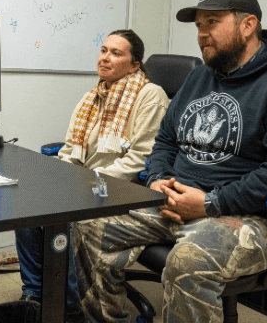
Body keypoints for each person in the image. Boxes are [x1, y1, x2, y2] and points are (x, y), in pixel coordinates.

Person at [74, 0, 267, 322]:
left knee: (188, 262)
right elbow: (165, 139)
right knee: (88, 224)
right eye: (198, 26)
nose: (202, 34)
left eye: (212, 23)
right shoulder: (201, 77)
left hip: (259, 218)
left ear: (248, 25)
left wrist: (211, 203)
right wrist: (159, 180)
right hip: (177, 204)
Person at [15, 30, 170, 322]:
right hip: (88, 182)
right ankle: (35, 292)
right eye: (103, 50)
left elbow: (139, 160)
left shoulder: (150, 96)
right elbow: (72, 149)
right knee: (27, 207)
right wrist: (62, 177)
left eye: (116, 53)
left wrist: (87, 185)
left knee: (75, 218)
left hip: (126, 188)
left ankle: (73, 304)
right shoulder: (92, 97)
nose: (105, 58)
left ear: (135, 64)